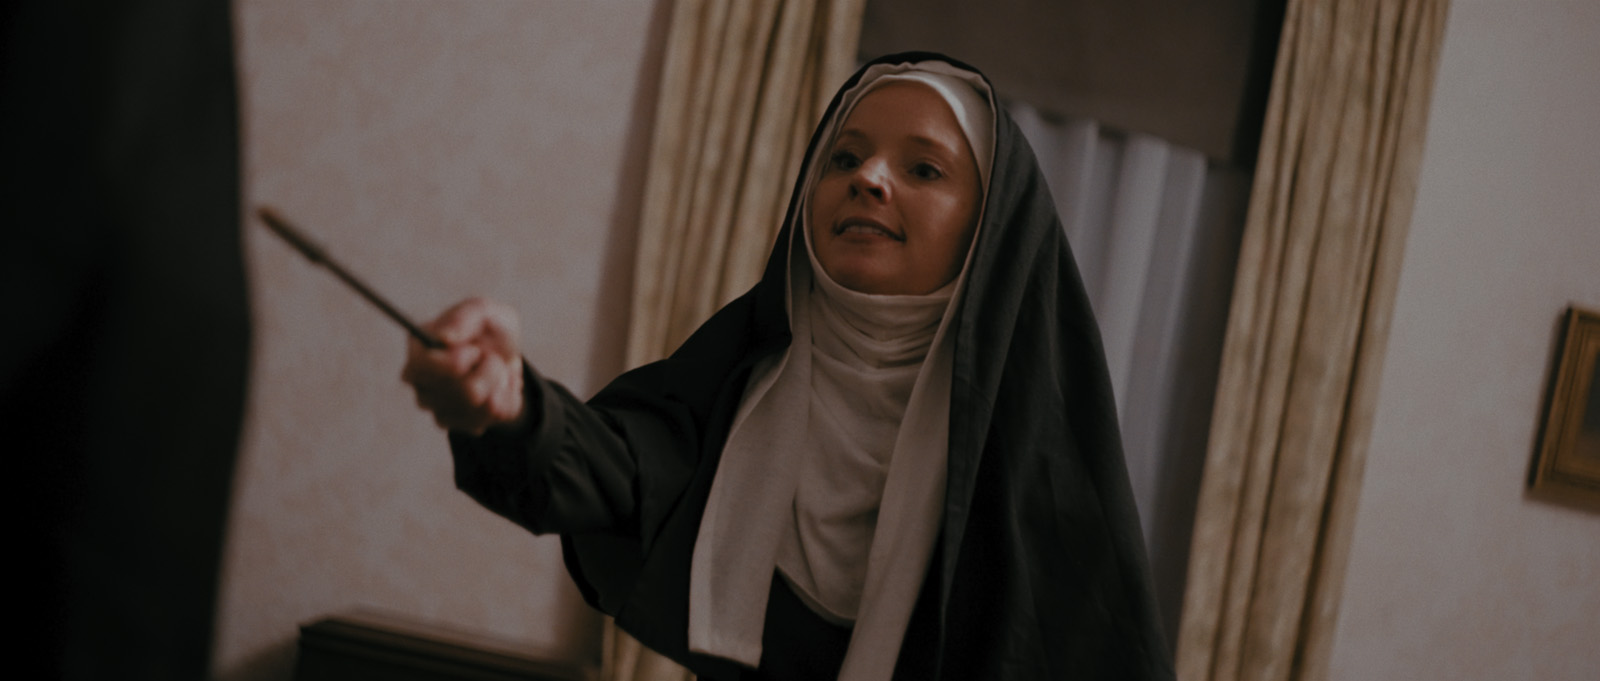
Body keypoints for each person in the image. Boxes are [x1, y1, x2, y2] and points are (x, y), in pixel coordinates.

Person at [402, 52, 1174, 681]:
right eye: (845, 156)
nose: (868, 177)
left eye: (924, 169)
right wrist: (506, 403)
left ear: (989, 233)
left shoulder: (1037, 478)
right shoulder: (738, 385)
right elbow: (609, 466)